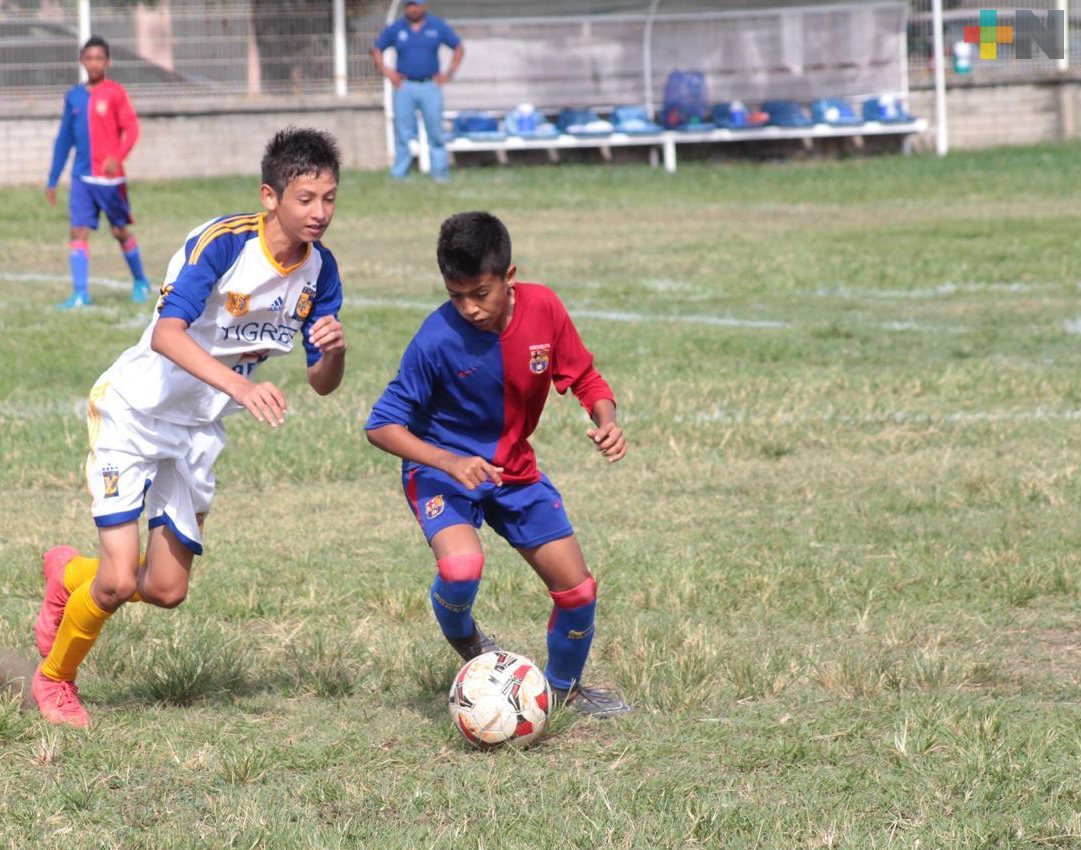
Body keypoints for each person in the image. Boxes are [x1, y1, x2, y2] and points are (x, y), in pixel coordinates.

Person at [31, 128, 347, 727]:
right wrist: (241, 385)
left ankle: (66, 573)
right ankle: (54, 681)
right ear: (271, 196)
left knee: (168, 589)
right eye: (306, 198)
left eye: (329, 198)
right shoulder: (223, 245)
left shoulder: (320, 272)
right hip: (135, 412)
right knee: (121, 580)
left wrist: (333, 352)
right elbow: (166, 334)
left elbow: (323, 381)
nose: (320, 213)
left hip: (197, 434)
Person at [364, 211, 632, 718]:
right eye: (455, 294)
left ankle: (560, 693)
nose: (468, 308)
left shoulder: (544, 308)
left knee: (578, 593)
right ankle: (470, 645)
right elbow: (381, 425)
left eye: (480, 293)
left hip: (512, 470)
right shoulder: (434, 339)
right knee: (462, 568)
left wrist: (606, 419)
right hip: (440, 468)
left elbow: (587, 378)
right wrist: (450, 461)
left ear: (510, 277)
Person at [46, 35, 150, 309]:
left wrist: (117, 157)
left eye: (99, 58)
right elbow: (64, 139)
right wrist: (53, 177)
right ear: (82, 61)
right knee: (78, 232)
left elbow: (133, 129)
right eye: (89, 58)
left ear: (107, 62)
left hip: (110, 180)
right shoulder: (74, 96)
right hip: (82, 178)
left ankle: (140, 280)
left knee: (119, 230)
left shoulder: (115, 93)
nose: (93, 63)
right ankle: (81, 293)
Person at [370, 0, 464, 183]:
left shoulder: (436, 26)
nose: (412, 9)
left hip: (430, 86)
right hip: (405, 86)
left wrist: (448, 73)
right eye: (409, 5)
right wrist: (388, 73)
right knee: (403, 132)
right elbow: (376, 49)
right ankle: (399, 174)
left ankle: (440, 174)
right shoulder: (397, 28)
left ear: (423, 6)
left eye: (416, 5)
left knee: (435, 131)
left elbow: (458, 48)